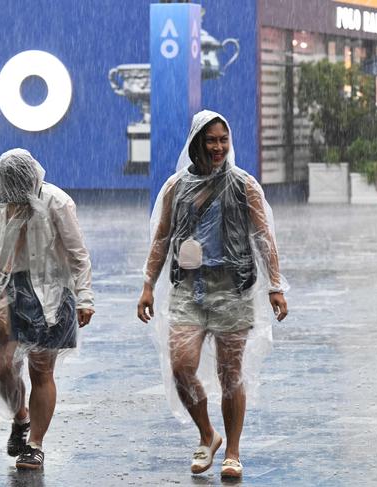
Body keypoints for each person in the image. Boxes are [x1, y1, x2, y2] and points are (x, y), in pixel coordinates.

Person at [137, 110, 288, 479]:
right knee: (181, 366)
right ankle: (208, 434)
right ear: (196, 143)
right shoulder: (177, 186)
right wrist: (147, 286)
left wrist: (275, 286)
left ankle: (233, 452)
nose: (218, 147)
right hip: (189, 288)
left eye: (223, 139)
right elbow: (162, 238)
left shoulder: (243, 185)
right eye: (211, 140)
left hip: (233, 288)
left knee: (230, 374)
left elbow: (263, 237)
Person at [0, 148, 94, 470]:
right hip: (7, 291)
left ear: (34, 178)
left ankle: (35, 445)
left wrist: (85, 296)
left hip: (52, 292)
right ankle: (21, 418)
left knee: (41, 370)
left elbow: (77, 253)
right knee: (3, 366)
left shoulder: (56, 202)